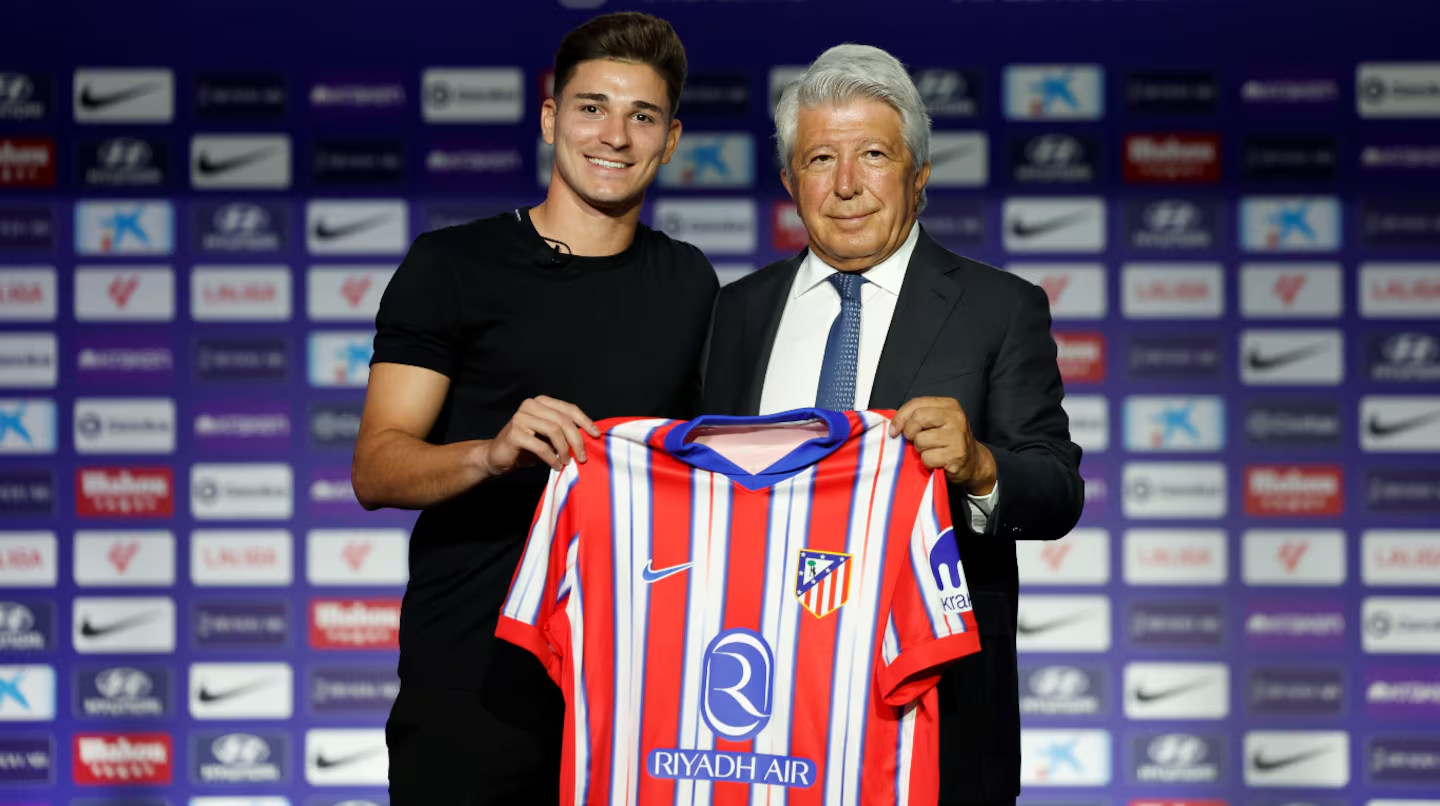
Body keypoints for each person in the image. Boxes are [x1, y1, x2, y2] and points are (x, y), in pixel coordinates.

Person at [700, 44, 1084, 806]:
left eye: (873, 155)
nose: (846, 184)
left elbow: (1056, 490)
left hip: (931, 718)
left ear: (919, 174)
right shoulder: (736, 311)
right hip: (757, 713)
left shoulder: (999, 308)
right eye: (820, 159)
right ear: (790, 182)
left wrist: (980, 467)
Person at [351, 12, 717, 805]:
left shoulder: (691, 283)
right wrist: (491, 453)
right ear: (551, 119)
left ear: (670, 141)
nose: (614, 135)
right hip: (473, 676)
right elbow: (377, 467)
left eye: (642, 116)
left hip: (635, 684)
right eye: (592, 107)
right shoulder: (451, 265)